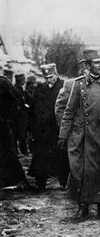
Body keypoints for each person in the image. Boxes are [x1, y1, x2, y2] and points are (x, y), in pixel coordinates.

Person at [58, 49, 100, 221]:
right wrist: (63, 135)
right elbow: (68, 112)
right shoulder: (79, 85)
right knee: (81, 172)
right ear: (88, 66)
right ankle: (83, 207)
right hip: (83, 137)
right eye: (97, 62)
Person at [29, 63, 64, 191]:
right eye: (47, 77)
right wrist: (32, 127)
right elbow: (33, 108)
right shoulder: (40, 88)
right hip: (42, 130)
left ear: (56, 74)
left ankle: (63, 182)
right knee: (40, 157)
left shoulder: (64, 86)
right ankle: (41, 183)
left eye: (51, 76)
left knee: (61, 156)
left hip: (58, 128)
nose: (49, 80)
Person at [0, 65, 29, 189]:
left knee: (6, 151)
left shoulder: (3, 82)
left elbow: (16, 100)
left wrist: (6, 116)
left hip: (2, 125)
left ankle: (14, 179)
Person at [13, 72, 31, 155]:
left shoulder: (20, 89)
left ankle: (19, 151)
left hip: (20, 115)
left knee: (20, 134)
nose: (25, 80)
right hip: (19, 116)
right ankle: (23, 151)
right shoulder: (16, 89)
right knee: (21, 134)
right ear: (20, 80)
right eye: (23, 79)